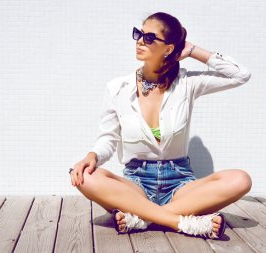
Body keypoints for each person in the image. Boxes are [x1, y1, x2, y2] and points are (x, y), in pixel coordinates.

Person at [69, 12, 252, 240]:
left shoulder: (187, 84)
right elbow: (109, 137)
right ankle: (182, 222)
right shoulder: (117, 88)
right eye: (139, 34)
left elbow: (240, 75)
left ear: (168, 48)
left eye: (149, 37)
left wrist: (193, 49)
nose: (139, 40)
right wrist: (92, 155)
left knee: (240, 179)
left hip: (180, 182)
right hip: (136, 183)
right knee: (84, 176)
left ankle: (142, 219)